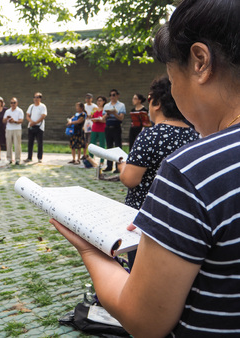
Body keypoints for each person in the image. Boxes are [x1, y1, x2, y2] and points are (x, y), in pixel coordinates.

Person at [51, 0, 240, 336]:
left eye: (171, 75)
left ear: (199, 62)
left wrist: (87, 247)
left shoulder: (193, 171)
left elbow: (144, 320)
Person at [119, 77, 199, 269]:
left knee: (140, 271)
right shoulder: (195, 134)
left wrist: (122, 166)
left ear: (157, 103)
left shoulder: (150, 135)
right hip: (180, 219)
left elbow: (130, 179)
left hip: (145, 221)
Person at [103, 89, 126, 173]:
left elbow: (121, 118)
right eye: (111, 95)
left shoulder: (121, 105)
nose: (112, 97)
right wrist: (107, 115)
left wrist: (114, 113)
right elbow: (103, 119)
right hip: (108, 127)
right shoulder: (106, 106)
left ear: (117, 95)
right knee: (109, 147)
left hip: (116, 127)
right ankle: (109, 166)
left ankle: (118, 167)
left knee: (117, 147)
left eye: (114, 95)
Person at [25, 92, 47, 163]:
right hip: (31, 127)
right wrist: (31, 122)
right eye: (34, 97)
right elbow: (27, 115)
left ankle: (39, 157)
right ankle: (29, 157)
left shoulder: (42, 106)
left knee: (39, 143)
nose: (35, 99)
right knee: (30, 142)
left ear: (40, 98)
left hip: (39, 127)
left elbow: (43, 116)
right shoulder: (31, 106)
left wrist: (35, 122)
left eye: (37, 97)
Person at [3, 97, 24, 165]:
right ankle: (9, 159)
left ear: (17, 103)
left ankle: (17, 159)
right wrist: (7, 118)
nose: (13, 104)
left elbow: (21, 120)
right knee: (8, 144)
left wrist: (14, 121)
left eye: (14, 102)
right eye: (11, 103)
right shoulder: (7, 111)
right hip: (9, 129)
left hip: (17, 129)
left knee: (17, 144)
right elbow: (3, 121)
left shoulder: (19, 111)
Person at [89, 96, 107, 165]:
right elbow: (91, 118)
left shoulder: (105, 110)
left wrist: (100, 120)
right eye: (98, 101)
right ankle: (91, 159)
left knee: (102, 144)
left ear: (104, 102)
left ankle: (102, 161)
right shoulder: (94, 109)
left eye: (100, 100)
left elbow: (104, 120)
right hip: (94, 128)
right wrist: (96, 119)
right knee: (92, 143)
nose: (99, 102)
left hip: (102, 129)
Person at [83, 93, 97, 158]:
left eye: (89, 98)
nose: (88, 99)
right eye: (87, 98)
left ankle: (91, 154)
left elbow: (95, 115)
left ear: (92, 99)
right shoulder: (84, 106)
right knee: (84, 139)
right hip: (84, 123)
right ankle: (84, 154)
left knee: (91, 139)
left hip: (92, 123)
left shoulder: (94, 106)